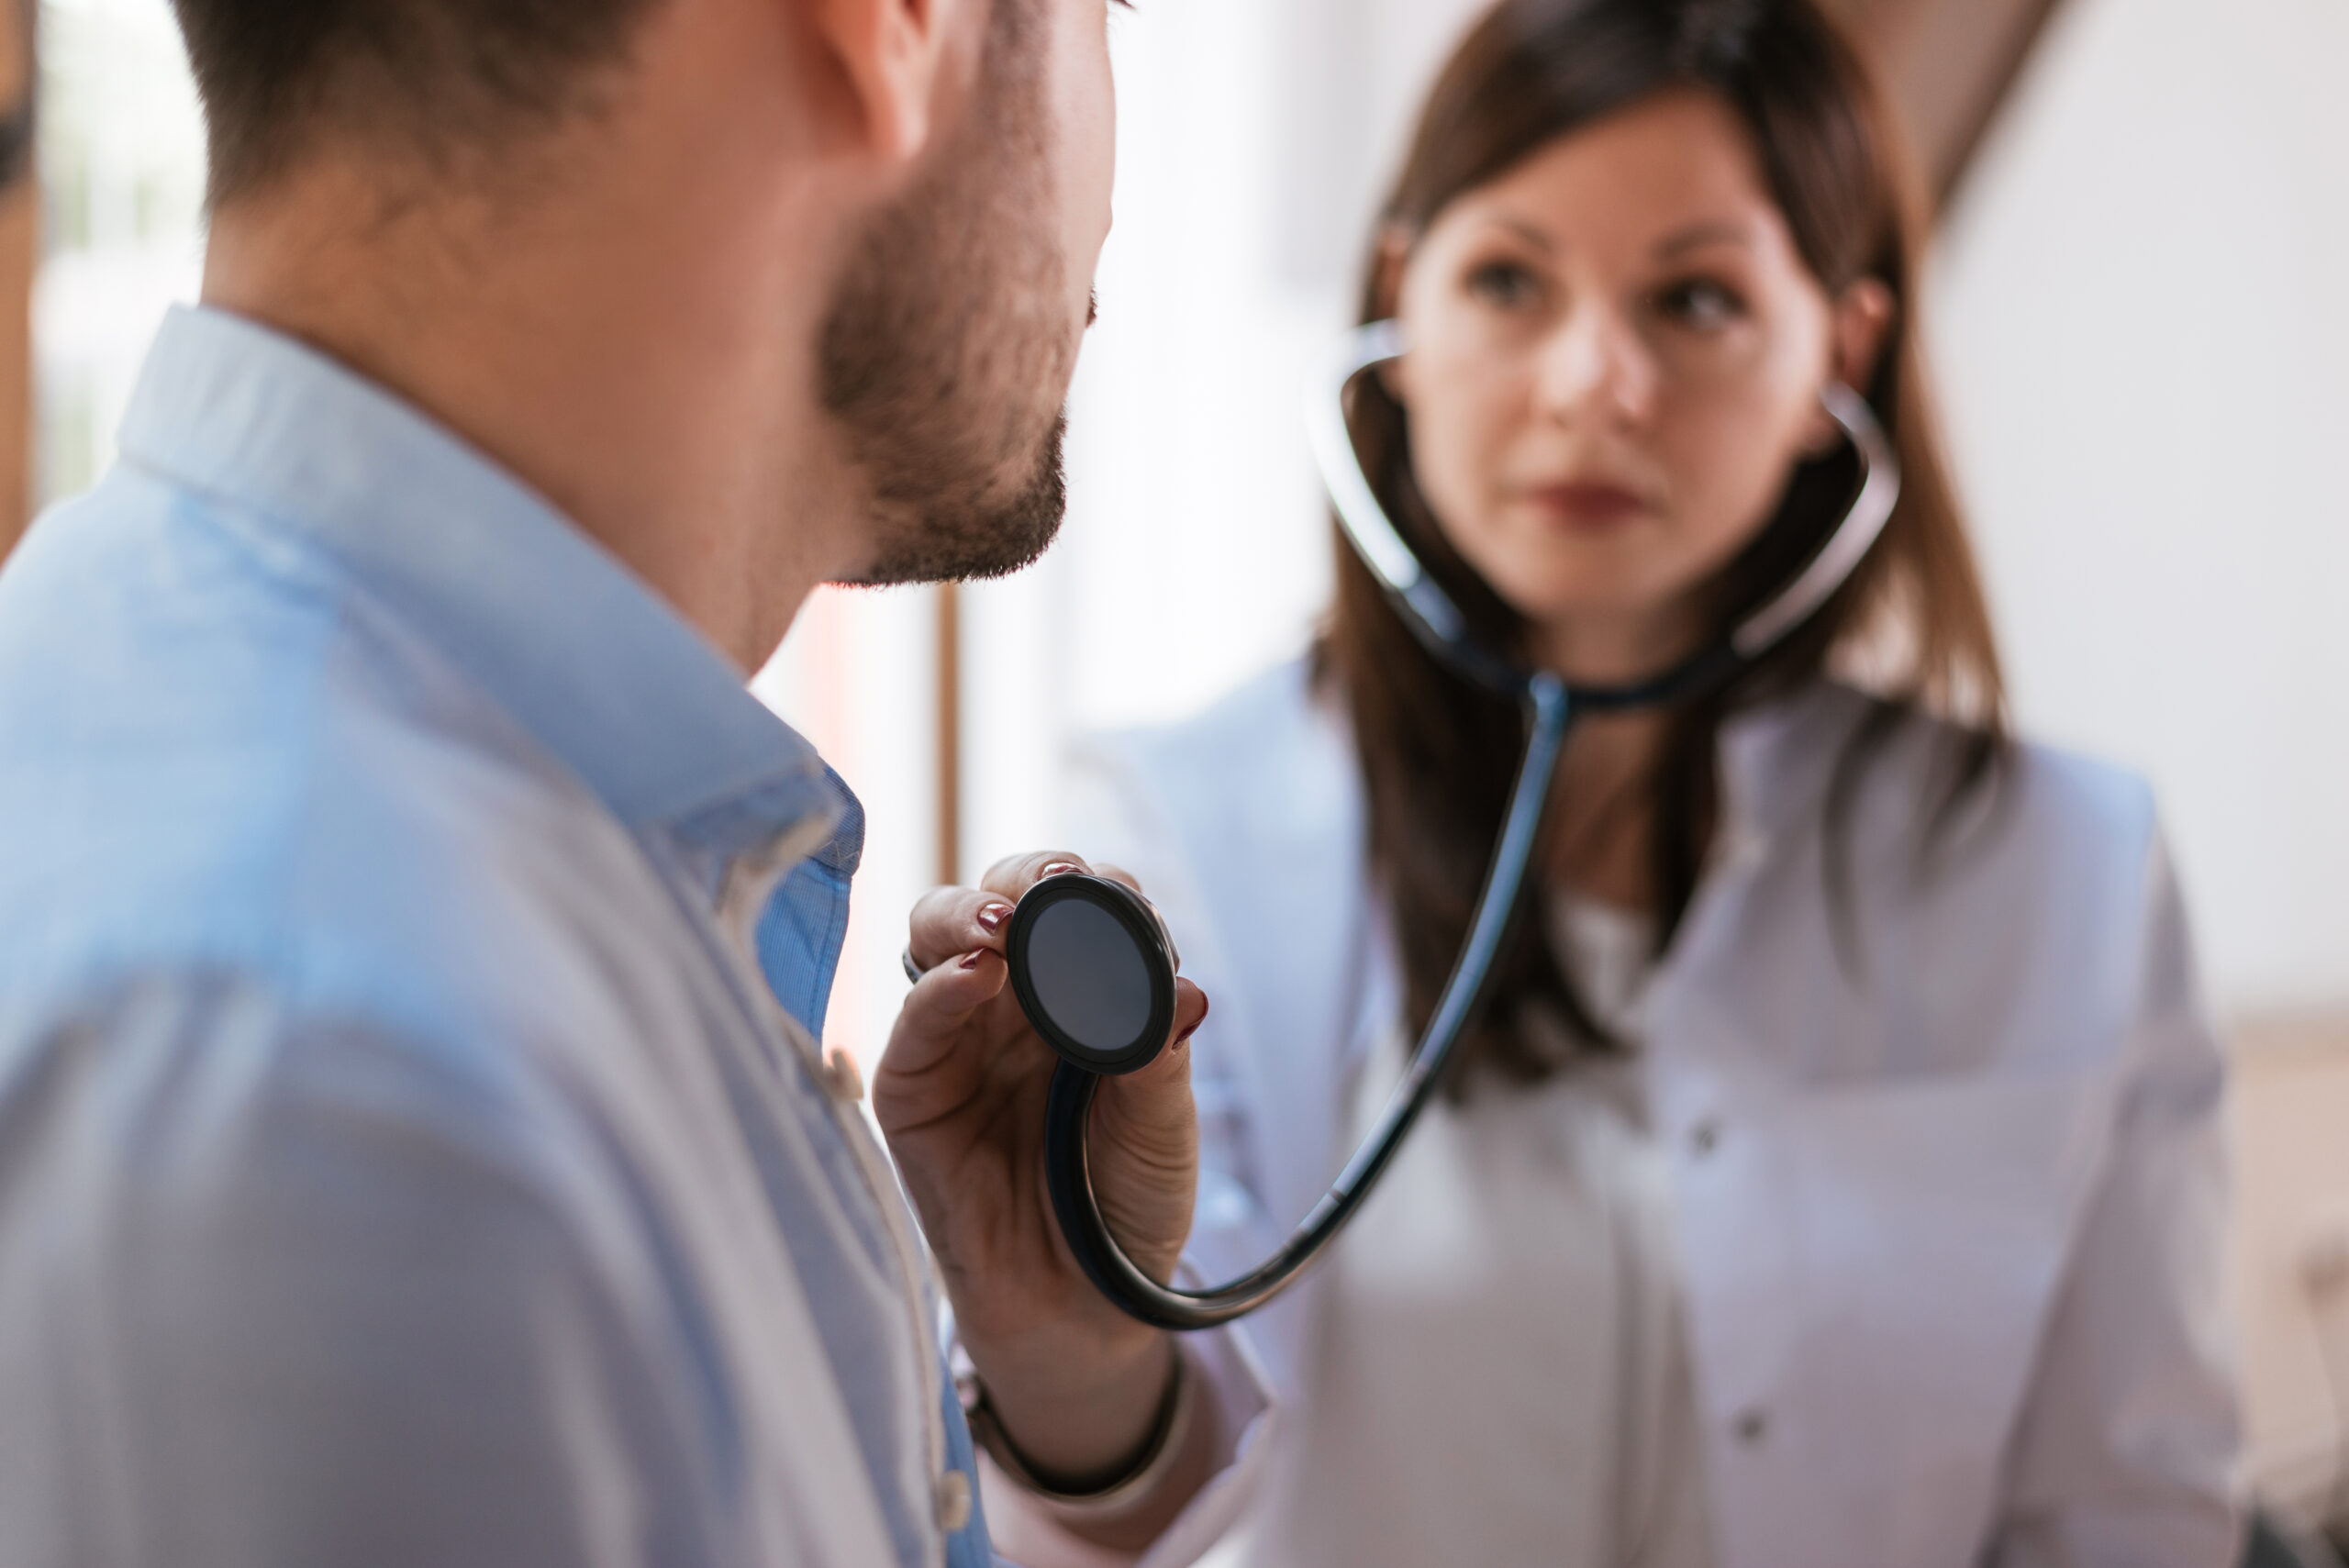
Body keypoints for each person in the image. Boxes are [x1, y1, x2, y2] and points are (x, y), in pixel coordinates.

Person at [0, 1, 1256, 1564]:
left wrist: (1072, 1372)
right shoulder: (343, 1099)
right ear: (894, 28)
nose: (1111, 172)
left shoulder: (452, 877)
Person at [1063, 1, 2241, 1564]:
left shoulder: (2071, 874)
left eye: (1693, 298)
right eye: (1508, 281)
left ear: (1845, 346)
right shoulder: (1177, 835)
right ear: (1404, 308)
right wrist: (1053, 1334)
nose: (1593, 383)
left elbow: (2132, 1509)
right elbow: (1122, 1477)